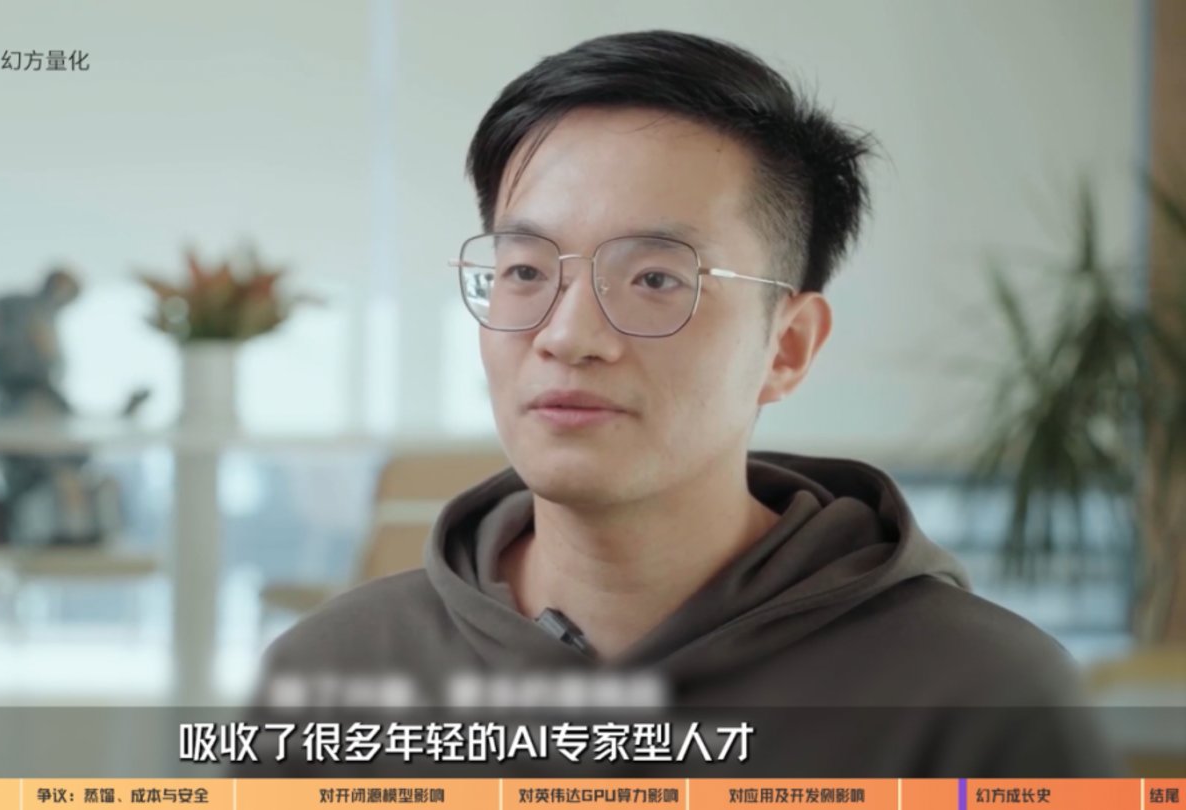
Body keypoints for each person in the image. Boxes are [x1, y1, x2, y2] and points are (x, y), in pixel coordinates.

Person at [247, 30, 1119, 777]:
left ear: (787, 347)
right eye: (525, 271)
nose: (567, 336)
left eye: (656, 279)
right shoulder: (334, 674)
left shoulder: (976, 699)